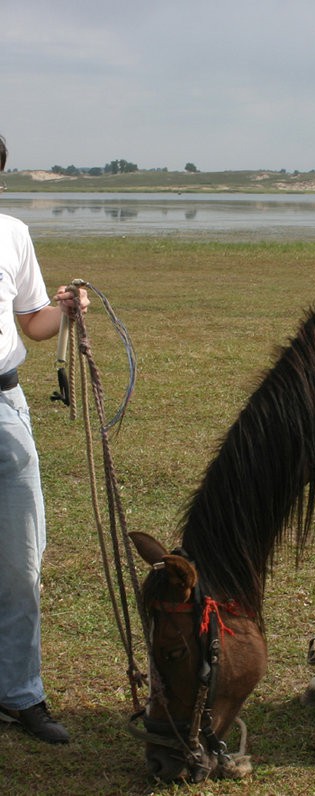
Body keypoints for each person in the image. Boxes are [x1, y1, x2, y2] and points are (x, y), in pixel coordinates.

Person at [0, 134, 88, 744]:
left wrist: (67, 309)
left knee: (20, 560)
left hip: (5, 404)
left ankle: (19, 693)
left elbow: (33, 325)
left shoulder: (12, 234)